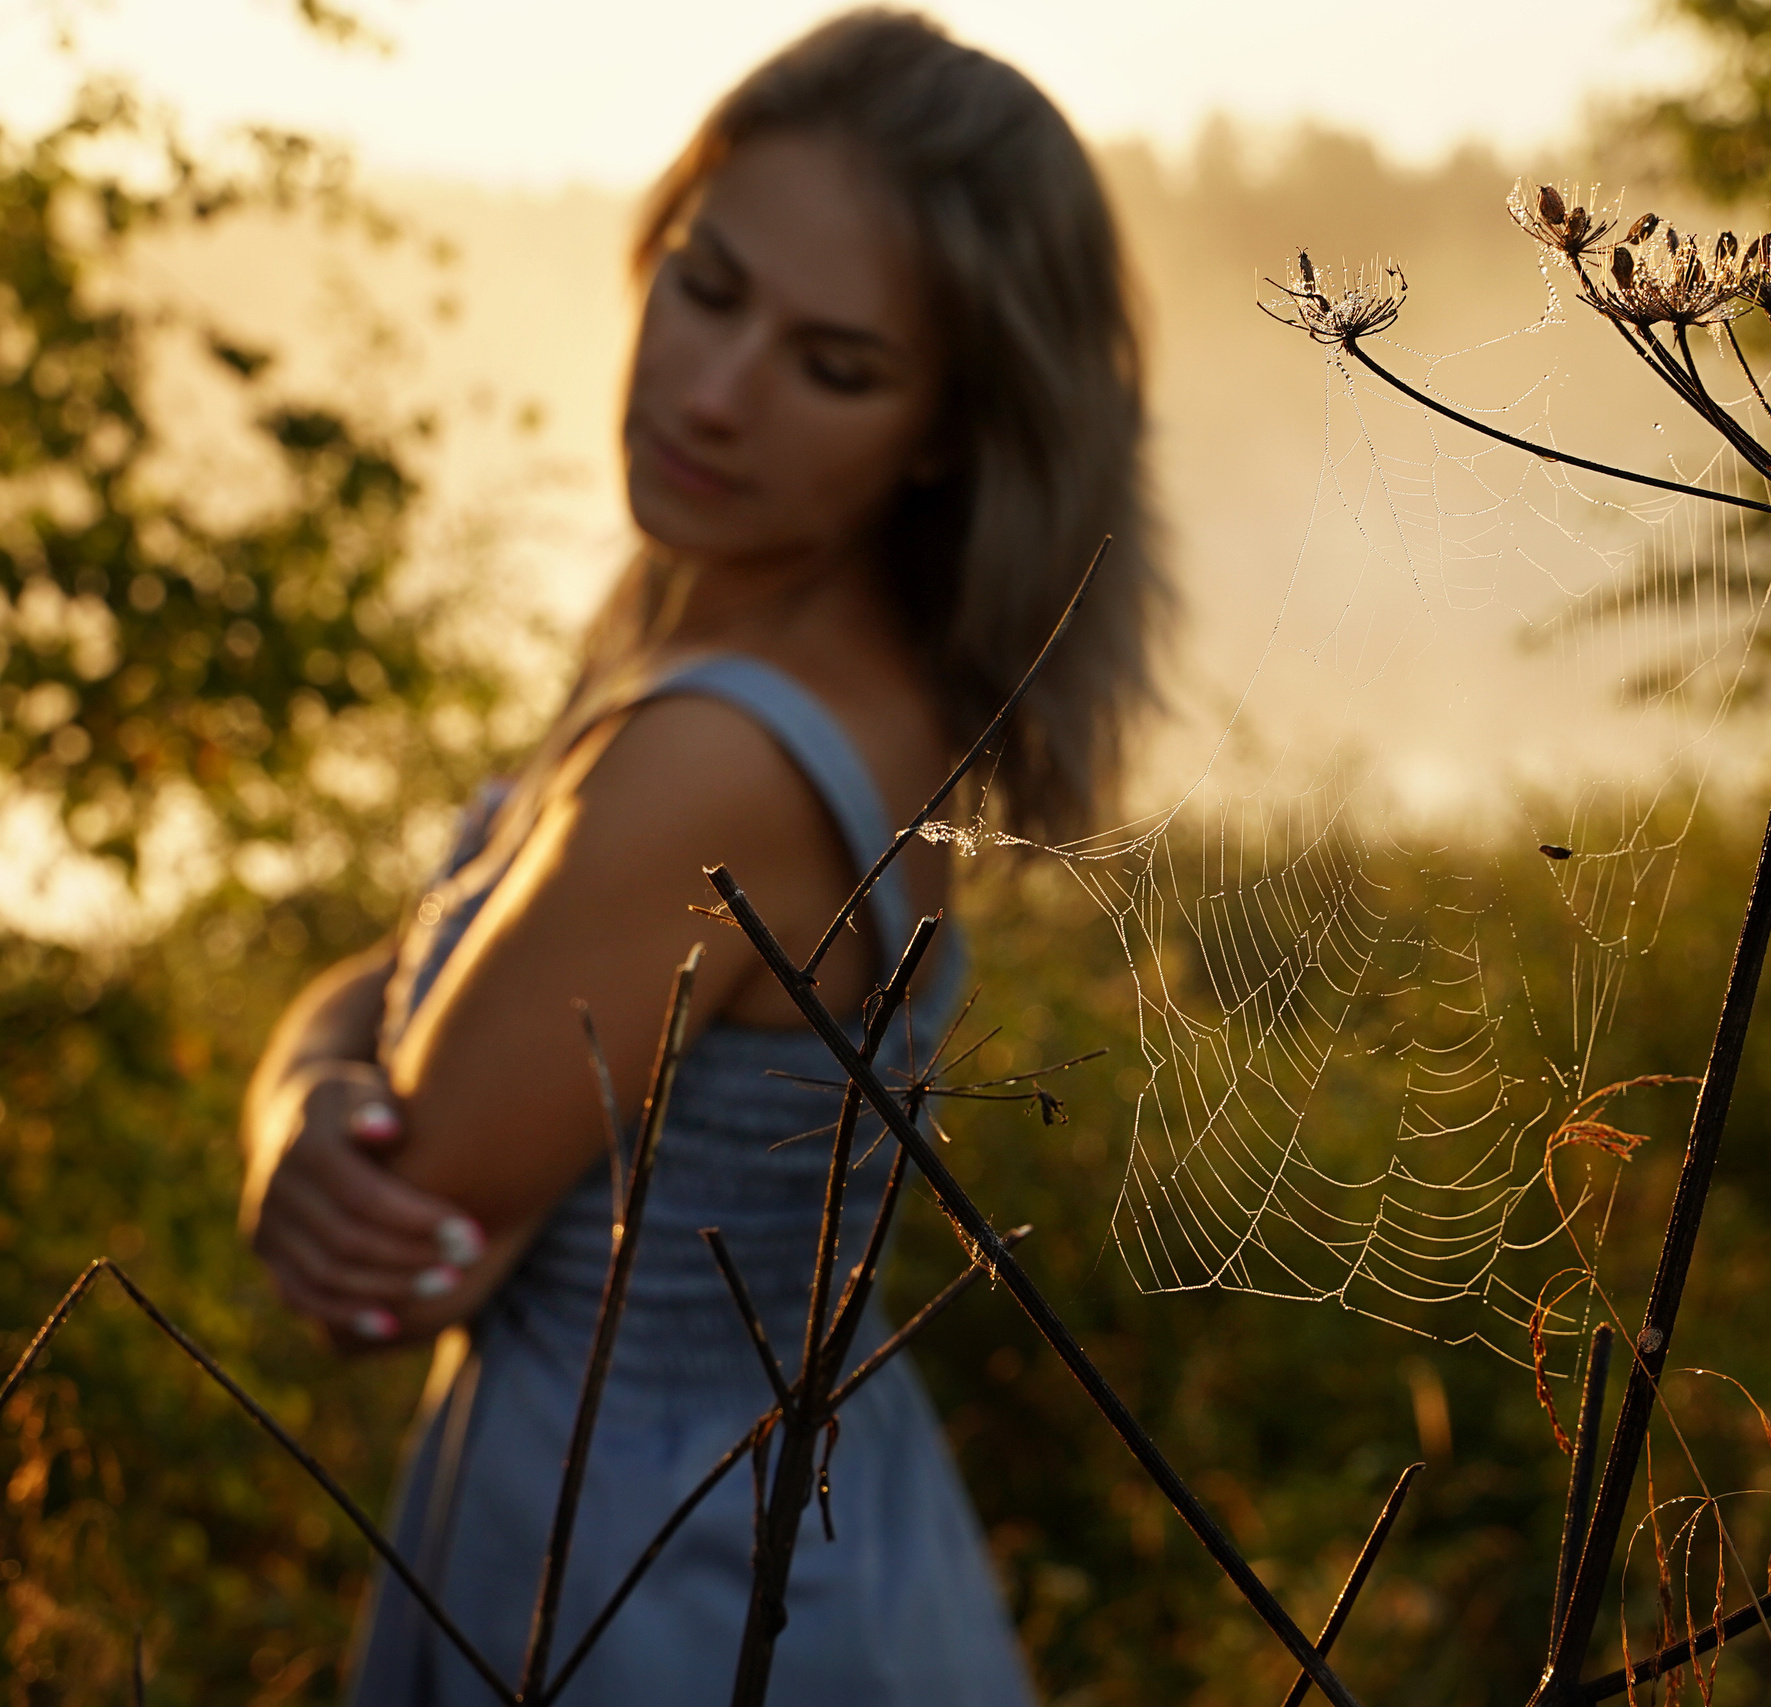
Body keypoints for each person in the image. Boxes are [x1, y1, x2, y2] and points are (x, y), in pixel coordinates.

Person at [234, 12, 1163, 1701]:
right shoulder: (816, 656)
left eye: (835, 365)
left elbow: (380, 1274)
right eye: (708, 286)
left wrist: (302, 1095)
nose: (713, 393)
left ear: (950, 427)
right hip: (820, 1518)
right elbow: (444, 964)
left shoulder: (721, 757)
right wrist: (311, 1073)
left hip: (632, 1564)